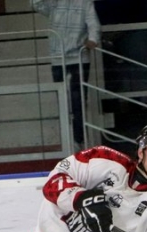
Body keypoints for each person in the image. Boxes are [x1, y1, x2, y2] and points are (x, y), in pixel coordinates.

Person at [31, 0, 101, 150]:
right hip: (58, 58)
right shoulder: (54, 2)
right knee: (64, 102)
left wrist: (92, 40)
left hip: (79, 57)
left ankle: (78, 141)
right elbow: (36, 5)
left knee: (78, 101)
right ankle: (70, 140)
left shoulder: (84, 2)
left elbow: (93, 23)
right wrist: (93, 39)